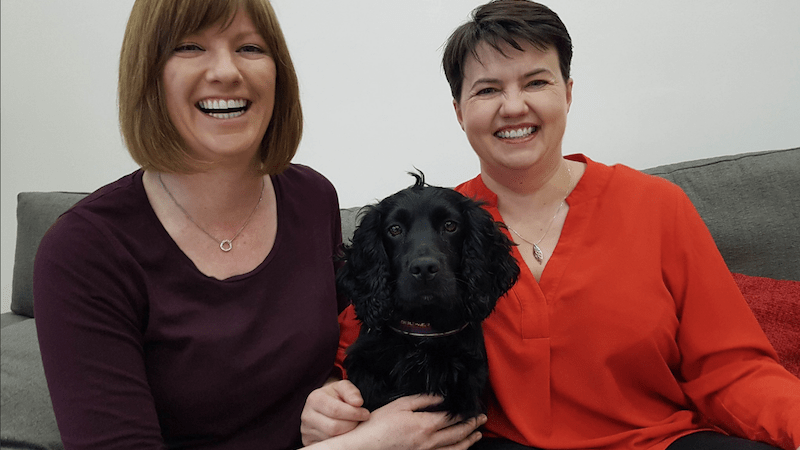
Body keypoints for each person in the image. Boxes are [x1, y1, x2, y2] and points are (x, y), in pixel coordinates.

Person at [301, 1, 800, 449]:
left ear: (568, 92)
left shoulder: (658, 207)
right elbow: (360, 344)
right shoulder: (437, 224)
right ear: (459, 111)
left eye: (536, 82)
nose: (513, 106)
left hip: (660, 441)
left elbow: (731, 367)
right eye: (488, 89)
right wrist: (329, 400)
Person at [33, 0, 483, 449]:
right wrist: (361, 445)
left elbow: (344, 339)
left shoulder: (312, 198)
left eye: (249, 47)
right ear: (147, 75)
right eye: (190, 47)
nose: (227, 72)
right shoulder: (82, 250)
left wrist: (331, 395)